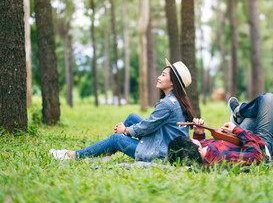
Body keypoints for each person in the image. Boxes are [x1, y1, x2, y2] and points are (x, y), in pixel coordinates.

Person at [50, 58, 195, 162]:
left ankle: (72, 155)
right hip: (162, 141)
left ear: (172, 82)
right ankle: (106, 155)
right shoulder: (175, 100)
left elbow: (147, 127)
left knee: (115, 139)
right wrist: (127, 128)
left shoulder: (168, 104)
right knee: (132, 117)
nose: (158, 77)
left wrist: (125, 130)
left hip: (160, 152)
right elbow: (150, 125)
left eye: (163, 75)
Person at [167, 93, 273, 166]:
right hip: (261, 145)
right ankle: (238, 112)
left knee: (259, 113)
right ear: (197, 151)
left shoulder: (199, 153)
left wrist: (199, 134)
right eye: (191, 140)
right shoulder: (222, 159)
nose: (191, 138)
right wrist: (237, 130)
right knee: (268, 99)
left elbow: (198, 145)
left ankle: (239, 114)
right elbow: (256, 155)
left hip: (241, 139)